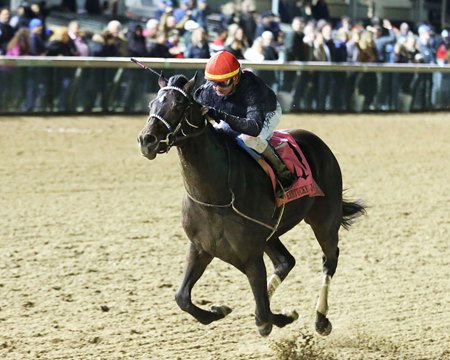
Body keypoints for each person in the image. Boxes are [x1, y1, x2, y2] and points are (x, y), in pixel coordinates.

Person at [194, 50, 297, 192]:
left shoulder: (252, 87)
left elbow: (253, 128)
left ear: (236, 79)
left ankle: (284, 174)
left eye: (223, 83)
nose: (217, 88)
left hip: (266, 112)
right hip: (234, 114)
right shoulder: (208, 91)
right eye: (213, 82)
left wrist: (221, 115)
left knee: (249, 139)